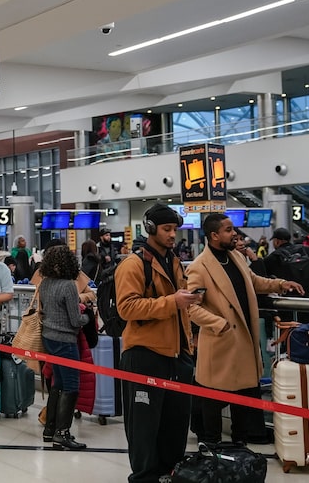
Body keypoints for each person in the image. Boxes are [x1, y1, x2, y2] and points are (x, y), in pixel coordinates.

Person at [186, 214, 303, 445]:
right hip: (221, 345)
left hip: (243, 344)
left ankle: (240, 451)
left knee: (242, 401)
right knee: (212, 404)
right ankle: (212, 454)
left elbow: (254, 281)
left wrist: (280, 284)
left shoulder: (236, 257)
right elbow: (190, 308)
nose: (235, 234)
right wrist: (220, 324)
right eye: (229, 230)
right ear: (214, 235)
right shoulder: (199, 267)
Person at [115, 203, 196, 483]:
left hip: (177, 355)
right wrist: (173, 302)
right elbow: (127, 308)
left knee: (175, 426)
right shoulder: (133, 264)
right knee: (144, 429)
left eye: (175, 229)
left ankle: (169, 474)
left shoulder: (174, 262)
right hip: (144, 355)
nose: (173, 235)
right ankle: (144, 478)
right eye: (167, 229)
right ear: (151, 229)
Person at [38, 245, 89, 450]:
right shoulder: (68, 285)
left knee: (57, 385)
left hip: (49, 338)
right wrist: (88, 315)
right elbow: (76, 320)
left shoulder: (45, 283)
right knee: (71, 386)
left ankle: (50, 429)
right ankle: (62, 433)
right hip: (66, 341)